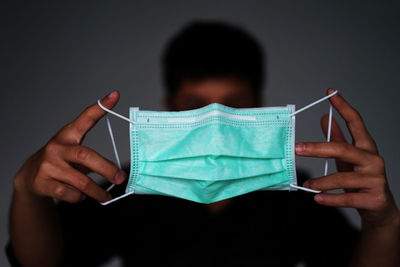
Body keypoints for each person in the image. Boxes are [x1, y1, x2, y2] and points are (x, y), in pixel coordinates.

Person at [8, 21, 400, 267]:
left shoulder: (296, 195)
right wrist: (27, 191)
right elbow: (41, 262)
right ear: (169, 108)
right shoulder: (128, 188)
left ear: (258, 108)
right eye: (196, 107)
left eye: (233, 106)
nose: (215, 124)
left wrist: (384, 225)